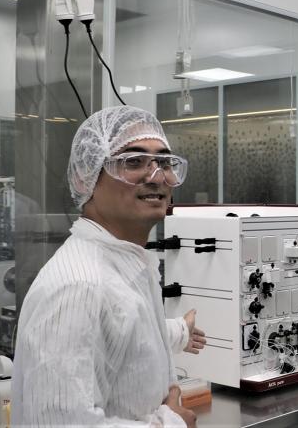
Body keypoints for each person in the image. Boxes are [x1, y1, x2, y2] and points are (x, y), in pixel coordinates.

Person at [12, 106, 207, 427]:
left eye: (164, 162)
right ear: (84, 175)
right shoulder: (78, 288)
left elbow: (125, 334)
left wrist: (180, 331)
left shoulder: (127, 265)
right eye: (133, 161)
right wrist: (172, 423)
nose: (156, 175)